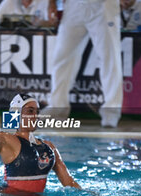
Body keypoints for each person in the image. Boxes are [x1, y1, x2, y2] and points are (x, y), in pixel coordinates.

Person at [42, 0, 123, 128]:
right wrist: (51, 2)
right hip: (73, 5)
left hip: (103, 5)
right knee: (62, 56)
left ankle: (111, 110)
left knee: (109, 56)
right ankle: (57, 107)